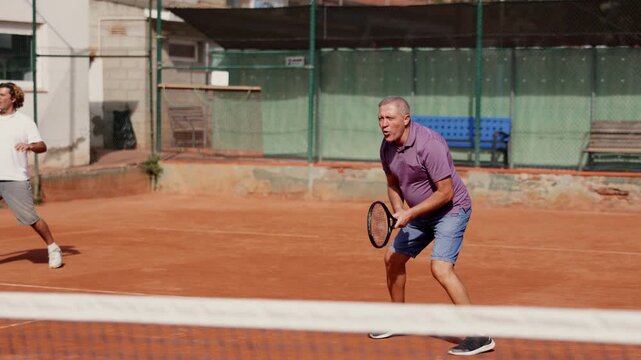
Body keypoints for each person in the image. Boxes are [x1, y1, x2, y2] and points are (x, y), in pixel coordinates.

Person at [369, 96, 494, 356]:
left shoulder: (430, 144)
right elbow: (393, 183)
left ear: (406, 119)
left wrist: (410, 212)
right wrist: (399, 210)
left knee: (440, 268)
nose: (384, 124)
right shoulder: (387, 146)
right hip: (419, 214)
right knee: (392, 258)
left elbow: (445, 193)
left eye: (389, 118)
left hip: (451, 210)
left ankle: (479, 335)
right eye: (381, 118)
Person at [0, 82, 62, 269]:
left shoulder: (25, 122)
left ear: (13, 98)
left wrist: (29, 146)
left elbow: (42, 146)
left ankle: (53, 248)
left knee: (30, 218)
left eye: (2, 95)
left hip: (15, 178)